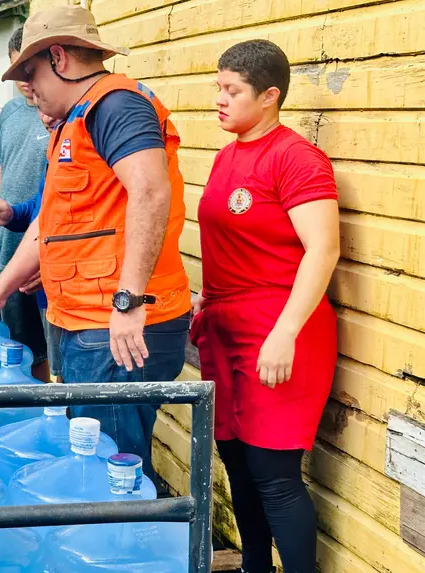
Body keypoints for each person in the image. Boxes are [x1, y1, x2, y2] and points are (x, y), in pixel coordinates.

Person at [0, 5, 191, 483]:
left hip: (117, 326)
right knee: (99, 459)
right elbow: (49, 221)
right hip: (89, 322)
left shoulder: (116, 106)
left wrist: (128, 300)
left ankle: (134, 553)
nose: (29, 87)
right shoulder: (74, 121)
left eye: (32, 73)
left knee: (113, 468)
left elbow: (151, 191)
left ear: (60, 59)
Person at [191, 40, 339, 573]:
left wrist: (286, 333)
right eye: (218, 88)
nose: (220, 100)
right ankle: (255, 566)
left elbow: (323, 249)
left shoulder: (296, 157)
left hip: (279, 329)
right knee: (235, 461)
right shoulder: (229, 154)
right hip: (225, 327)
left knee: (274, 474)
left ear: (270, 96)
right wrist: (205, 299)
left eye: (232, 91)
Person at [0, 106, 62, 382]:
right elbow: (42, 206)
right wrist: (11, 214)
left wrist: (46, 264)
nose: (44, 115)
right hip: (24, 265)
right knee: (27, 355)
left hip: (70, 289)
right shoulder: (56, 142)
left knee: (68, 379)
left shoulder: (89, 140)